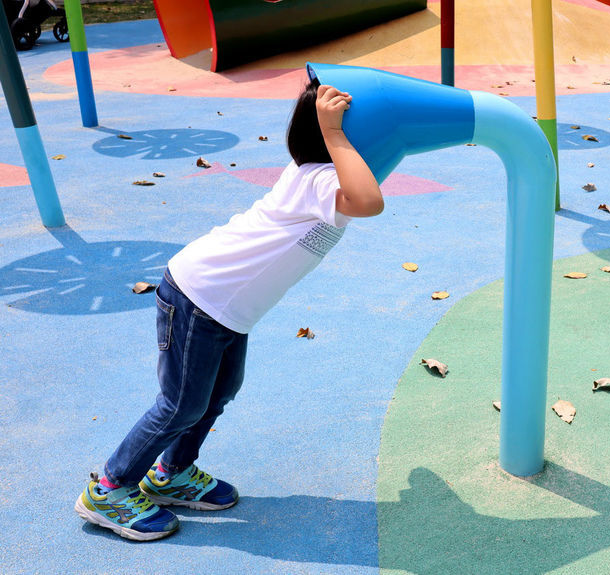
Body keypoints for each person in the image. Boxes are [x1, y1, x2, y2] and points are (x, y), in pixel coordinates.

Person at [74, 80, 383, 541]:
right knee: (181, 404)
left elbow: (368, 184)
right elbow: (370, 202)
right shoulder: (319, 177)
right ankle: (109, 488)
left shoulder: (321, 175)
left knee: (217, 395)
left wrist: (336, 133)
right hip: (200, 298)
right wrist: (335, 132)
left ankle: (172, 473)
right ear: (331, 138)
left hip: (225, 309)